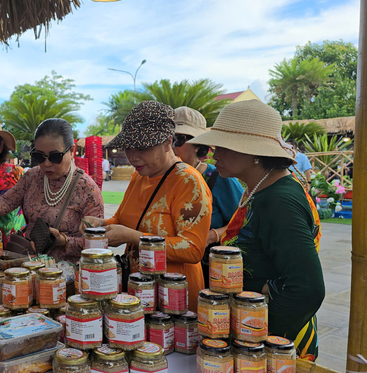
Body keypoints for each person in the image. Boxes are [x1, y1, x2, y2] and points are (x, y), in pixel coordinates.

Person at [189, 99, 324, 360]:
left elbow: (306, 288)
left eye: (225, 148)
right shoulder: (257, 189)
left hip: (271, 347)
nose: (216, 156)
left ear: (253, 152)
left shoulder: (279, 201)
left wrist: (256, 340)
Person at [80, 101, 213, 312]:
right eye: (128, 148)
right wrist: (102, 225)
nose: (133, 157)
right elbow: (123, 220)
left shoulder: (188, 181)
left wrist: (133, 237)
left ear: (168, 142)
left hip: (175, 298)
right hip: (138, 291)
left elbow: (193, 249)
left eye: (142, 148)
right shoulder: (139, 176)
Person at [0, 119, 105, 263]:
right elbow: (5, 203)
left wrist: (64, 241)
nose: (46, 164)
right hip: (30, 266)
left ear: (72, 151)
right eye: (39, 156)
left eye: (55, 156)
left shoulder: (87, 189)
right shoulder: (32, 176)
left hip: (69, 275)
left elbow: (98, 243)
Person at [171, 107, 244, 284]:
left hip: (209, 272)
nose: (171, 146)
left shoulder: (219, 178)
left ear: (197, 145)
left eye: (178, 140)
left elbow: (244, 223)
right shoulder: (164, 179)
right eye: (167, 140)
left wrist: (211, 236)